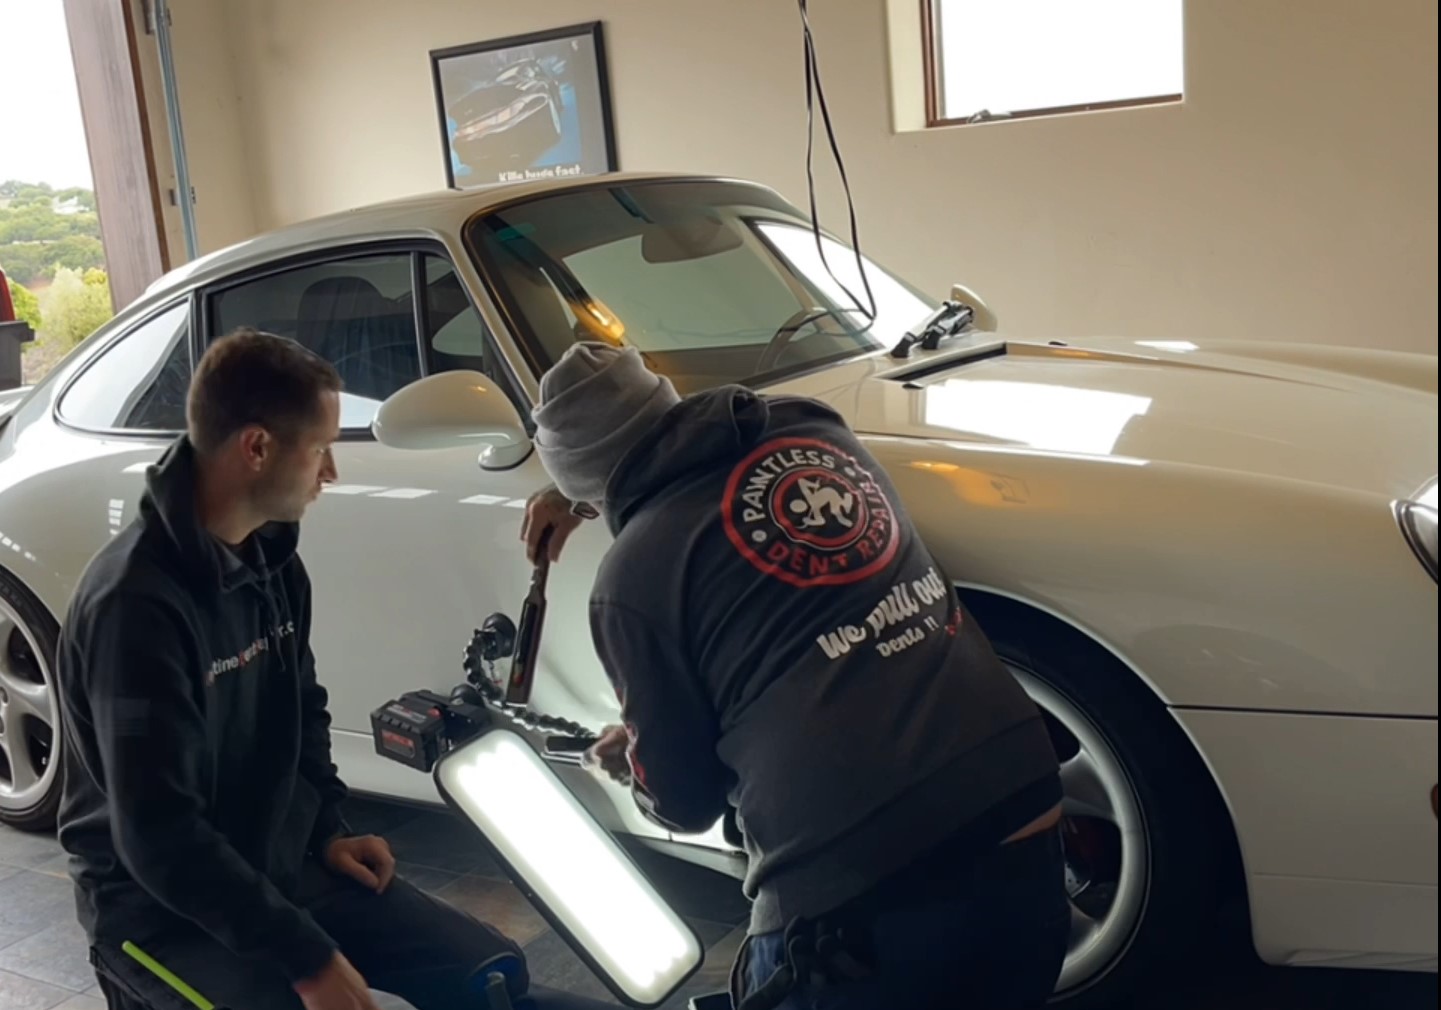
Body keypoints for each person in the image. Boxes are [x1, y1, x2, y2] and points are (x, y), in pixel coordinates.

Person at [55, 329, 618, 1010]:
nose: (331, 473)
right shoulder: (135, 608)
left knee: (488, 971)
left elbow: (304, 707)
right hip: (161, 914)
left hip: (280, 866)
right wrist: (308, 957)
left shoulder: (273, 561)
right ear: (256, 448)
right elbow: (157, 836)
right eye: (320, 449)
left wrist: (328, 829)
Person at [521, 342, 1072, 1010]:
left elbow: (685, 802)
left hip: (867, 897)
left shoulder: (629, 579)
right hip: (1028, 818)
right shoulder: (813, 427)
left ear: (585, 481)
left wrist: (636, 763)